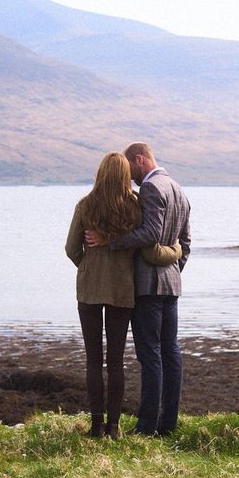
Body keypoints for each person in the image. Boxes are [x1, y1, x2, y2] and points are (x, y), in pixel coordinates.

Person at [65, 152, 180, 439]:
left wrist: (89, 266)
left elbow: (71, 248)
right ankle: (114, 427)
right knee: (115, 361)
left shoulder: (85, 204)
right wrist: (176, 251)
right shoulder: (134, 205)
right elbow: (146, 242)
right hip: (122, 290)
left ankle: (95, 427)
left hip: (90, 289)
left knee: (93, 360)